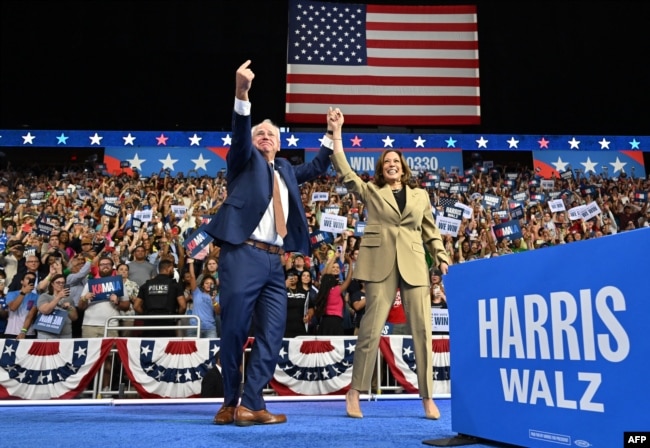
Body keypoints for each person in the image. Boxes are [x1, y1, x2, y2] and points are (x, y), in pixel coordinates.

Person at [204, 60, 339, 427]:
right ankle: (230, 401)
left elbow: (317, 168)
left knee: (274, 332)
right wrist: (242, 95)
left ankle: (251, 403)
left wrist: (331, 133)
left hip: (274, 263)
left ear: (279, 144)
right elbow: (239, 132)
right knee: (233, 329)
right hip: (242, 254)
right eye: (260, 132)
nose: (265, 136)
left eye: (271, 134)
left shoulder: (284, 172)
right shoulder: (242, 162)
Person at [329, 108, 450, 420]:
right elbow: (346, 173)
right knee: (370, 329)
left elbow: (430, 232)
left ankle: (427, 397)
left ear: (403, 167)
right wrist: (337, 134)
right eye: (387, 163)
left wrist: (441, 257)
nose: (392, 165)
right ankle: (354, 393)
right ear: (381, 170)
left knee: (423, 331)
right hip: (380, 264)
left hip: (414, 267)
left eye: (396, 161)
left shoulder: (421, 196)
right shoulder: (372, 191)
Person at [77, 256, 131, 338]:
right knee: (90, 351)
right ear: (98, 267)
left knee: (110, 351)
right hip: (89, 325)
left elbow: (126, 306)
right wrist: (84, 298)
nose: (105, 266)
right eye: (102, 264)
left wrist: (117, 302)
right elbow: (80, 307)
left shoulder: (119, 283)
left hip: (111, 325)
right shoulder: (90, 284)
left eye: (108, 264)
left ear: (112, 267)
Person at [133, 258, 186, 337]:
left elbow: (136, 306)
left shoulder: (146, 285)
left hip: (149, 323)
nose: (173, 271)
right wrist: (176, 316)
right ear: (169, 268)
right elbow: (183, 306)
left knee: (151, 347)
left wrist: (146, 315)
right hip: (168, 323)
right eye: (172, 269)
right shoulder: (174, 285)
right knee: (166, 348)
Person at [36, 273, 78, 339]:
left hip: (65, 334)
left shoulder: (68, 298)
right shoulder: (44, 296)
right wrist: (58, 297)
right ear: (52, 284)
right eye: (58, 282)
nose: (61, 284)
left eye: (63, 283)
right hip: (47, 334)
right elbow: (45, 310)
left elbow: (74, 318)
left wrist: (69, 308)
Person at [186, 258, 219, 338]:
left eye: (211, 283)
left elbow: (218, 312)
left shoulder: (217, 297)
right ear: (203, 285)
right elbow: (192, 277)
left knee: (211, 350)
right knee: (192, 350)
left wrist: (213, 299)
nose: (208, 285)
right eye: (206, 283)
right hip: (194, 327)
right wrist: (191, 263)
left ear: (214, 285)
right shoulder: (197, 293)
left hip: (209, 328)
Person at [283, 269, 312, 338]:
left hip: (301, 328)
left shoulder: (305, 292)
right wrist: (283, 286)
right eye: (290, 275)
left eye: (295, 275)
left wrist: (309, 315)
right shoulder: (281, 291)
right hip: (283, 328)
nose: (293, 277)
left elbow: (311, 307)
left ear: (298, 278)